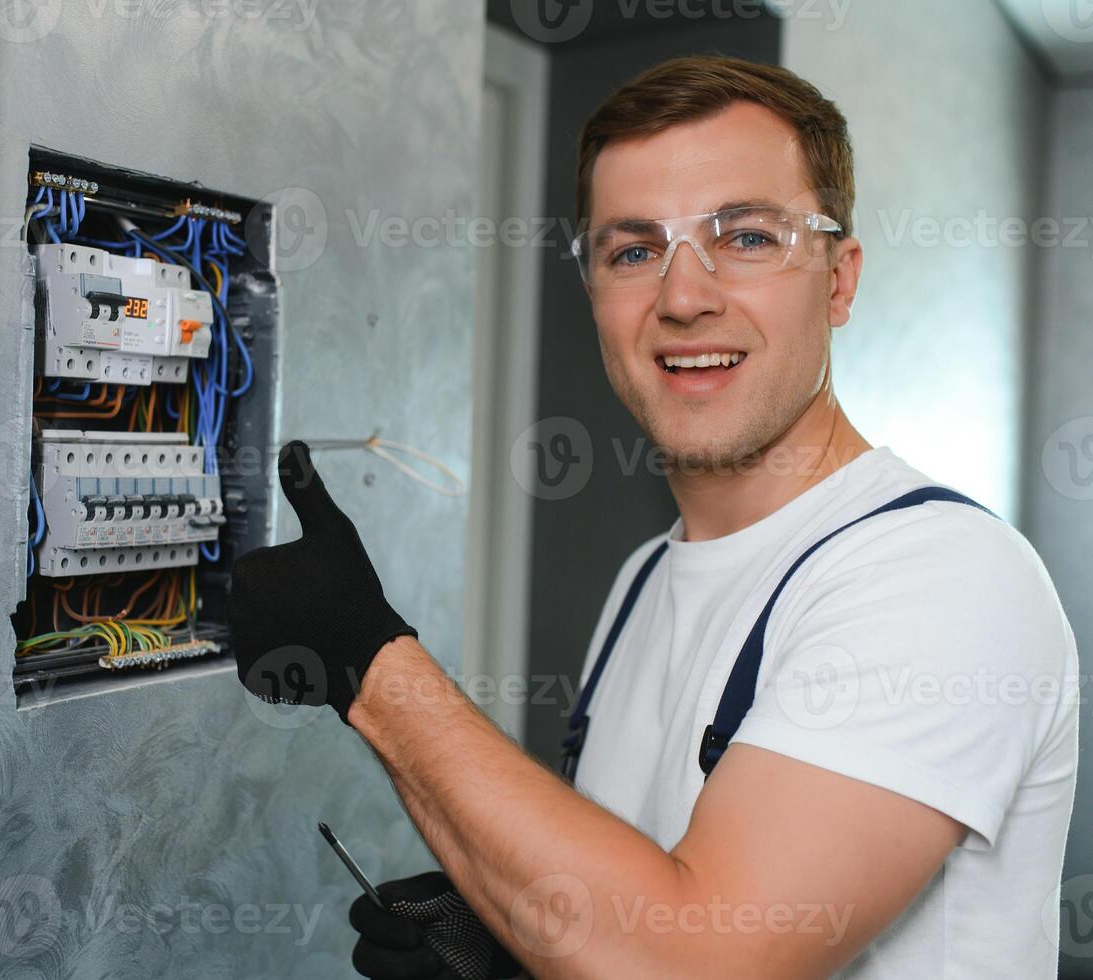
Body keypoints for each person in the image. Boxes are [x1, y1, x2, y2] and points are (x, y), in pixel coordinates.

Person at [229, 55, 1079, 979]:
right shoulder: (646, 576)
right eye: (632, 251)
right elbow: (643, 909)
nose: (682, 298)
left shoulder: (942, 577)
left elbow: (695, 963)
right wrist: (521, 938)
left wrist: (368, 662)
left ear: (838, 280)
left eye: (747, 238)